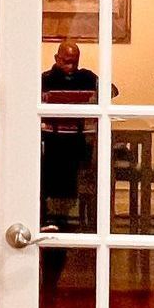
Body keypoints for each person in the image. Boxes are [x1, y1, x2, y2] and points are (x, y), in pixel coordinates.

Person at [40, 40, 102, 229]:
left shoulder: (86, 77)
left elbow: (111, 90)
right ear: (57, 59)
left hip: (78, 142)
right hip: (52, 142)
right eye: (66, 61)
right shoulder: (45, 79)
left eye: (74, 62)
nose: (71, 67)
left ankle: (79, 219)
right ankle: (52, 215)